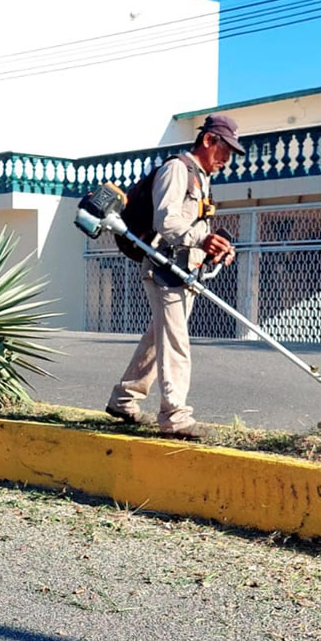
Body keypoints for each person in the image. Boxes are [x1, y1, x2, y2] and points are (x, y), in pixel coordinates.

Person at [105, 114, 245, 435]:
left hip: (186, 270)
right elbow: (165, 221)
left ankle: (124, 398)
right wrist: (201, 239)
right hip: (164, 268)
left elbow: (194, 227)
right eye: (224, 150)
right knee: (176, 342)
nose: (226, 160)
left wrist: (213, 247)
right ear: (209, 140)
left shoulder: (201, 177)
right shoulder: (177, 169)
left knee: (159, 338)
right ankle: (175, 416)